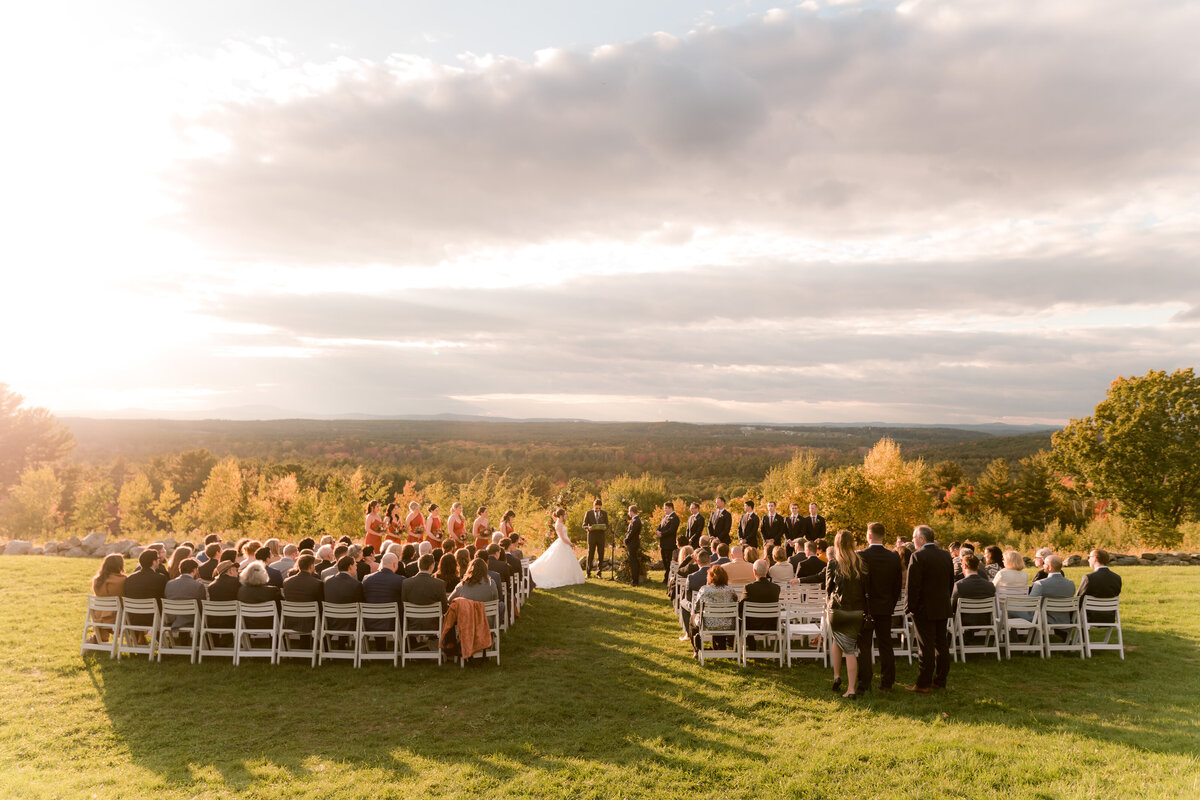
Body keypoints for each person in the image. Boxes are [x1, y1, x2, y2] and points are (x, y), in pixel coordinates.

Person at [905, 525, 954, 694]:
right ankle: (940, 680)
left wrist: (910, 607)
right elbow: (950, 582)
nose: (912, 540)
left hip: (924, 608)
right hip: (942, 605)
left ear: (922, 539)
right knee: (941, 644)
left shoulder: (917, 556)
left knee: (925, 646)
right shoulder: (946, 555)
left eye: (913, 537)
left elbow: (913, 585)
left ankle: (923, 683)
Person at [857, 522, 902, 693]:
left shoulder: (861, 556)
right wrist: (891, 604)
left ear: (869, 536)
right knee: (886, 645)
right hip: (885, 607)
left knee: (865, 646)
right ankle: (887, 682)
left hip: (866, 607)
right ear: (883, 536)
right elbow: (897, 585)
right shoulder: (893, 557)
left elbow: (859, 583)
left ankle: (865, 683)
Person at [827, 530, 868, 700]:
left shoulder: (833, 563)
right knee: (848, 646)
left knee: (839, 641)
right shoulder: (861, 562)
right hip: (857, 610)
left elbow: (828, 588)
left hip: (838, 610)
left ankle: (847, 686)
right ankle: (840, 679)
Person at [529, 507, 587, 589]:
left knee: (566, 562)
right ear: (561, 515)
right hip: (563, 543)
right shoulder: (558, 524)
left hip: (565, 544)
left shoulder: (560, 523)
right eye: (565, 514)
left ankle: (568, 577)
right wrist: (570, 543)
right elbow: (562, 537)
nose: (566, 516)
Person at [691, 564, 738, 656]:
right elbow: (735, 602)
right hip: (728, 624)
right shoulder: (731, 590)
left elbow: (697, 607)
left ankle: (696, 649)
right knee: (720, 617)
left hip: (708, 624)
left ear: (710, 577)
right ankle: (720, 647)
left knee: (692, 618)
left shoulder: (705, 590)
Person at [951, 554, 997, 636]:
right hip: (985, 620)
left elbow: (952, 607)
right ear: (978, 566)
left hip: (964, 621)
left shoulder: (959, 585)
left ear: (964, 566)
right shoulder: (990, 585)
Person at [741, 559, 781, 650]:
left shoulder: (749, 588)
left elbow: (741, 607)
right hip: (771, 625)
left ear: (754, 571)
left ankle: (749, 645)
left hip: (752, 626)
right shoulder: (776, 588)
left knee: (742, 618)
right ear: (767, 571)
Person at [123, 548, 168, 627]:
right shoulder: (160, 578)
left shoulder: (130, 578)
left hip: (133, 618)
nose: (159, 560)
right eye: (158, 559)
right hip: (153, 618)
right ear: (154, 562)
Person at [88, 554, 127, 643]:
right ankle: (137, 640)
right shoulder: (122, 580)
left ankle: (99, 639)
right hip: (114, 618)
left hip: (97, 617)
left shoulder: (97, 580)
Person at [1077, 549, 1122, 622]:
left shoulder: (1088, 578)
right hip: (1109, 618)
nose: (1088, 560)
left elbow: (1079, 598)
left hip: (1089, 618)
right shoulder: (1117, 578)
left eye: (1089, 557)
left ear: (1095, 558)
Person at [164, 558, 208, 633]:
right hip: (191, 619)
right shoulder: (198, 585)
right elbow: (201, 607)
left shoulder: (169, 584)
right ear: (194, 570)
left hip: (172, 618)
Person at [1030, 554, 1076, 624]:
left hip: (1044, 619)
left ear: (1050, 567)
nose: (1043, 566)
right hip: (1064, 620)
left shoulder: (1040, 584)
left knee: (1010, 611)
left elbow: (1030, 603)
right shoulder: (1071, 584)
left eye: (1044, 564)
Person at [583, 499, 610, 578]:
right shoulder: (588, 513)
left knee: (601, 554)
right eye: (596, 508)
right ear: (593, 506)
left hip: (601, 536)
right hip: (591, 536)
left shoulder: (604, 513)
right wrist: (588, 527)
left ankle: (599, 573)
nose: (598, 510)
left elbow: (607, 524)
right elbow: (584, 525)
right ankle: (588, 573)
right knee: (590, 554)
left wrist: (605, 527)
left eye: (599, 508)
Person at [656, 502, 680, 584]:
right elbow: (660, 526)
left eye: (666, 508)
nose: (664, 510)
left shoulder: (675, 518)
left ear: (670, 508)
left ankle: (668, 579)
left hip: (669, 544)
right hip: (663, 543)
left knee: (669, 561)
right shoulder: (665, 517)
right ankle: (667, 578)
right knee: (665, 562)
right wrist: (657, 531)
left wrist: (662, 534)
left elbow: (671, 530)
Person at [625, 504, 643, 586]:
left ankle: (635, 581)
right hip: (633, 543)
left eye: (629, 511)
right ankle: (635, 580)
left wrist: (626, 540)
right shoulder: (636, 520)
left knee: (633, 562)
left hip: (633, 543)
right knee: (633, 561)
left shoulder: (636, 521)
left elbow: (631, 533)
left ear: (631, 512)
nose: (628, 513)